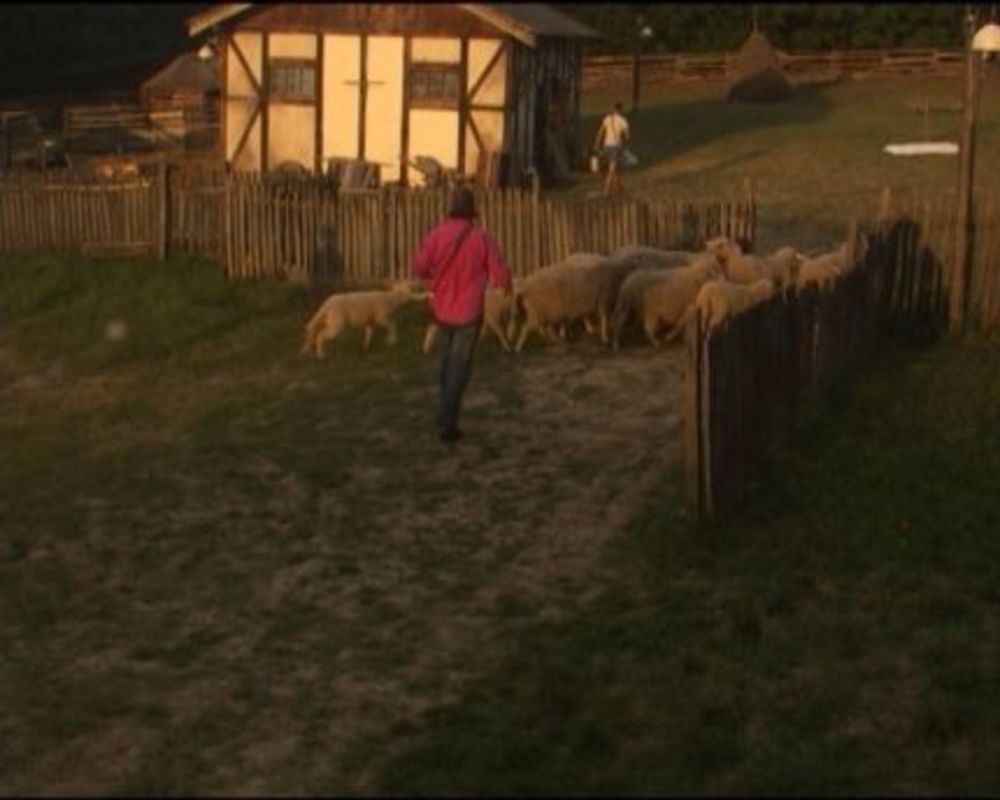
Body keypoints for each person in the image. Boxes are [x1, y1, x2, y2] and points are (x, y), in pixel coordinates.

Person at [412, 185, 512, 444]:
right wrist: (505, 284)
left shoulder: (436, 235)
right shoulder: (481, 238)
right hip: (469, 313)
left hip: (442, 309)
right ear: (471, 211)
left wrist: (433, 277)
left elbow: (419, 267)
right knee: (459, 367)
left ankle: (444, 412)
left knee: (446, 363)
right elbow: (500, 275)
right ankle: (448, 421)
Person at [593, 101, 630, 196]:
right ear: (621, 110)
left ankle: (620, 187)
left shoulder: (607, 119)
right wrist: (626, 139)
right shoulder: (622, 120)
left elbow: (601, 131)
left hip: (606, 145)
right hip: (615, 145)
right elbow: (627, 134)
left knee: (615, 166)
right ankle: (606, 189)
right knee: (612, 167)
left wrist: (597, 142)